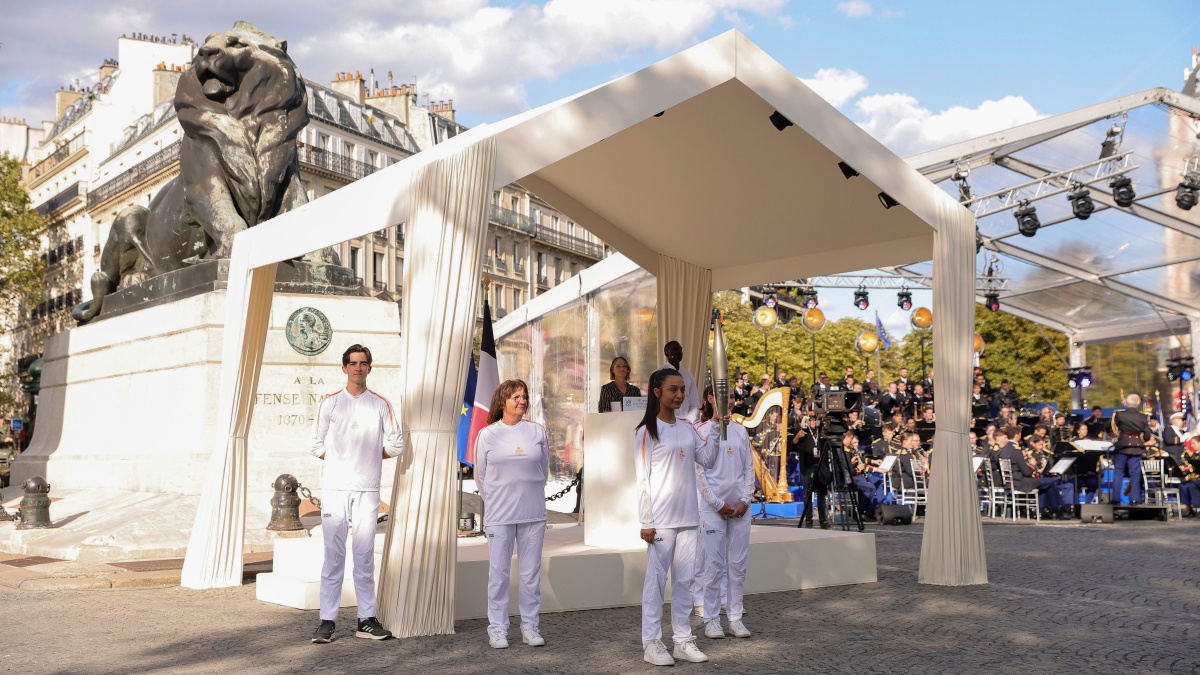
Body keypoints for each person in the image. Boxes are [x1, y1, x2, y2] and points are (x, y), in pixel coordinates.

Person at [309, 344, 404, 644]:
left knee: (364, 557)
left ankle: (366, 620)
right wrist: (340, 460)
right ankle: (327, 621)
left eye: (363, 363)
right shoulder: (330, 403)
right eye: (353, 363)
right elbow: (315, 444)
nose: (358, 368)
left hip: (367, 490)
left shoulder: (380, 404)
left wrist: (372, 457)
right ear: (344, 368)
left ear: (370, 368)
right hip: (335, 491)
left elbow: (397, 444)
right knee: (333, 556)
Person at [635, 368, 721, 666]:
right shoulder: (646, 431)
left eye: (682, 389)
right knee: (656, 582)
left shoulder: (687, 426)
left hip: (688, 517)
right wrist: (646, 521)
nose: (680, 395)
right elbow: (642, 479)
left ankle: (682, 640)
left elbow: (708, 461)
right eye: (673, 389)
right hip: (661, 520)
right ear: (657, 392)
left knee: (684, 581)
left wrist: (715, 428)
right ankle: (652, 643)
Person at [475, 379, 550, 649]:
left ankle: (530, 627)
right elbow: (480, 476)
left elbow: (543, 470)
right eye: (516, 396)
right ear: (502, 401)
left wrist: (527, 494)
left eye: (524, 396)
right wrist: (498, 500)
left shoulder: (537, 432)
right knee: (499, 574)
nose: (522, 401)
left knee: (531, 574)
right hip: (499, 515)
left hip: (533, 513)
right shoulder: (488, 434)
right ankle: (497, 629)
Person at [695, 387, 754, 641]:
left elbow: (749, 469)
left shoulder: (741, 432)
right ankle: (711, 619)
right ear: (711, 399)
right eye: (723, 396)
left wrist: (745, 499)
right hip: (713, 510)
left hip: (741, 510)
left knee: (737, 565)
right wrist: (717, 503)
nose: (729, 401)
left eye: (731, 397)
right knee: (714, 565)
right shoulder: (701, 431)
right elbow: (700, 472)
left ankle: (735, 618)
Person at [1110, 394, 1151, 505]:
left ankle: (1115, 499)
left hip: (1122, 444)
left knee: (1119, 472)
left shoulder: (1119, 414)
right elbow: (1147, 435)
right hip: (1136, 445)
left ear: (1127, 403)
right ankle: (1135, 499)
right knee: (1135, 473)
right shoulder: (1143, 417)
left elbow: (1111, 428)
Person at [796, 415, 830, 529]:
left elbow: (827, 446)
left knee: (821, 494)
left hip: (820, 467)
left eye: (815, 420)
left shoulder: (821, 433)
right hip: (807, 468)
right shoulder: (803, 433)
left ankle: (823, 519)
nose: (813, 422)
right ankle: (808, 520)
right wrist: (797, 436)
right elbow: (793, 444)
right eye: (810, 420)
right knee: (808, 495)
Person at [661, 341, 700, 422]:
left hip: (686, 422)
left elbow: (694, 403)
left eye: (680, 349)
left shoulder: (688, 375)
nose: (679, 352)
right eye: (675, 349)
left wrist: (688, 421)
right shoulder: (658, 374)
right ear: (666, 353)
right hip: (664, 423)